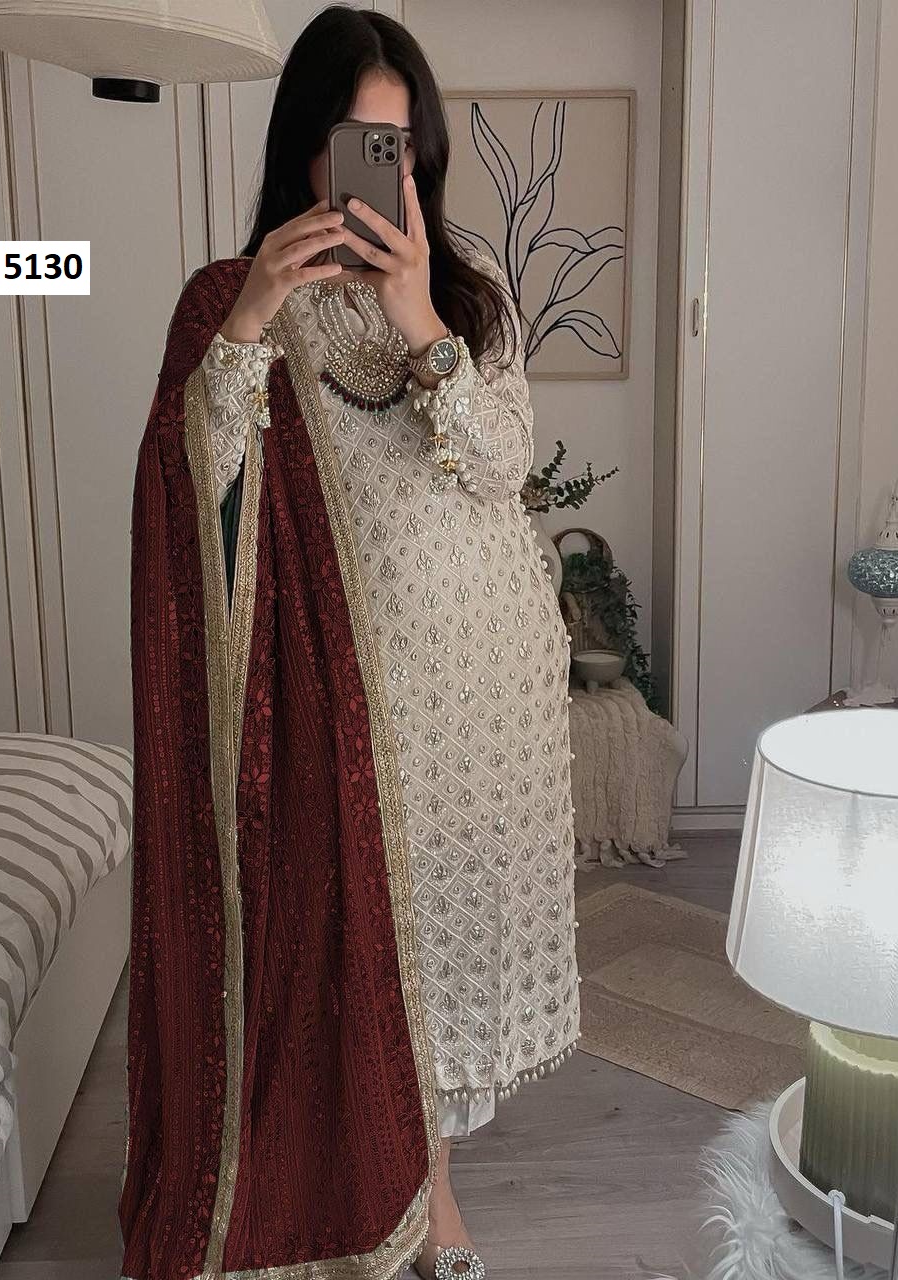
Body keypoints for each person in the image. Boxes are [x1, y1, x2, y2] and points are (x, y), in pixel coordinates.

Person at [119, 9, 580, 1280]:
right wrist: (255, 312)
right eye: (356, 141)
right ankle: (360, 1185)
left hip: (483, 685)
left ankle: (436, 1188)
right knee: (364, 947)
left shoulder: (468, 287)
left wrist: (418, 311)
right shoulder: (232, 296)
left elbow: (500, 465)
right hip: (340, 693)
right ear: (305, 147)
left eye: (401, 142)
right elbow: (194, 491)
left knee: (453, 948)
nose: (383, 166)